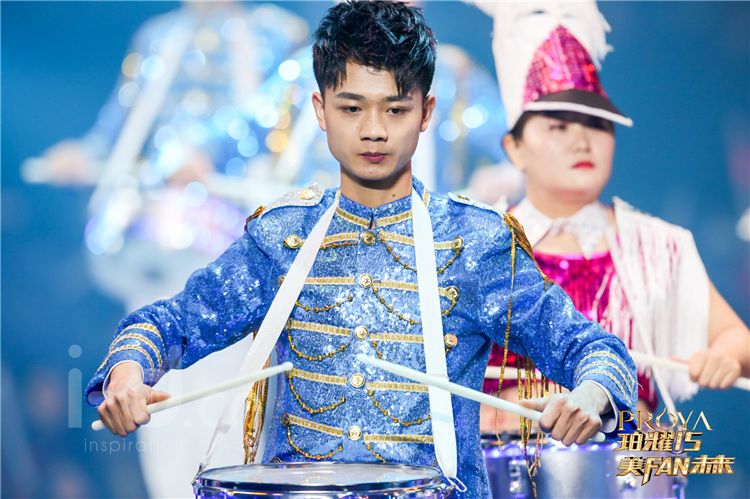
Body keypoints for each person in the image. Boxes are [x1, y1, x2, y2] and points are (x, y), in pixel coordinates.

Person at [86, 2, 636, 496]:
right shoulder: (282, 237)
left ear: (426, 112)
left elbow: (596, 350)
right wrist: (128, 371)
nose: (374, 130)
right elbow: (170, 322)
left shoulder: (475, 242)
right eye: (352, 109)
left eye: (395, 110)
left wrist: (592, 395)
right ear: (320, 110)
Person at [474, 1, 750, 434]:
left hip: (628, 464)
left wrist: (724, 356)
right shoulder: (480, 243)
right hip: (504, 461)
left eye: (597, 124)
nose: (581, 140)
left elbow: (737, 339)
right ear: (515, 147)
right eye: (558, 126)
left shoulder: (656, 246)